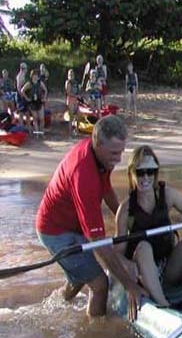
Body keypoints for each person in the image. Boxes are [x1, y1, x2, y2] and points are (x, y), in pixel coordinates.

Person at [36, 115, 147, 320]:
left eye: (121, 151)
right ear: (98, 143)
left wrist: (130, 223)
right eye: (114, 152)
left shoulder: (100, 157)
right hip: (55, 231)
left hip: (72, 223)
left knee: (79, 277)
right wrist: (130, 285)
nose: (119, 159)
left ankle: (56, 306)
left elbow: (107, 192)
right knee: (99, 285)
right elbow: (99, 244)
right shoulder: (84, 175)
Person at [115, 146, 182, 306]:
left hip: (168, 266)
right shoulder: (126, 210)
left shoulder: (168, 195)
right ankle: (164, 304)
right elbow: (118, 255)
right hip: (143, 270)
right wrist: (129, 270)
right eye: (140, 172)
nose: (145, 177)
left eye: (150, 172)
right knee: (143, 247)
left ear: (155, 173)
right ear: (132, 174)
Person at [20, 69, 47, 135]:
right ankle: (37, 133)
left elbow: (45, 90)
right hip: (32, 102)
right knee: (35, 118)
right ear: (31, 76)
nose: (35, 77)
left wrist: (44, 98)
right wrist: (27, 98)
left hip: (39, 101)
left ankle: (41, 132)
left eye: (36, 75)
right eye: (34, 75)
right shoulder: (29, 83)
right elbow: (22, 90)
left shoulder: (40, 82)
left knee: (42, 118)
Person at [65, 69, 80, 137]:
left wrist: (79, 92)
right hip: (70, 100)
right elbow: (68, 93)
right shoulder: (68, 82)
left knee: (78, 116)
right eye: (70, 74)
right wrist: (76, 95)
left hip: (75, 100)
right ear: (68, 75)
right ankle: (70, 133)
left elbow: (77, 91)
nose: (71, 75)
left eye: (72, 74)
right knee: (71, 117)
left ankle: (77, 131)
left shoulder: (76, 82)